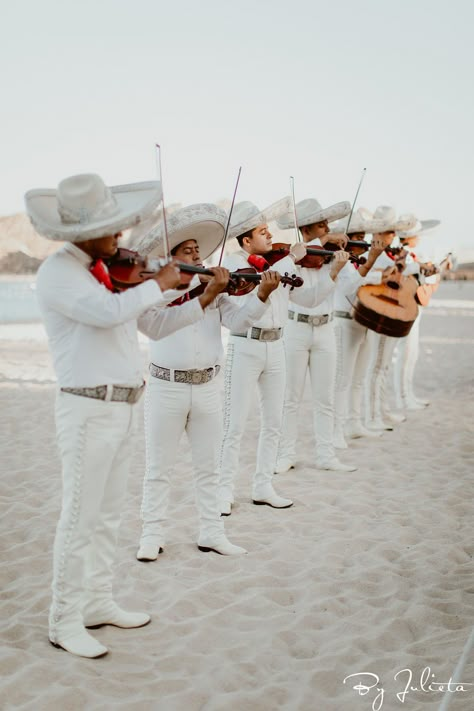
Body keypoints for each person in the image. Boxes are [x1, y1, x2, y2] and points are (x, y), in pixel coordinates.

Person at [25, 172, 204, 659]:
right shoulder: (60, 272)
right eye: (111, 227)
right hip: (86, 408)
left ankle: (98, 602)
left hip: (123, 406)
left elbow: (152, 323)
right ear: (78, 233)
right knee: (79, 518)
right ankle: (64, 620)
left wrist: (199, 297)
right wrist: (162, 281)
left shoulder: (114, 273)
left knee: (108, 517)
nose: (121, 237)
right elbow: (106, 313)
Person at [135, 204, 281, 561]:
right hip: (166, 387)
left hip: (208, 388)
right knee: (159, 468)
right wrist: (198, 286)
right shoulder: (158, 290)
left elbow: (239, 322)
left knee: (209, 468)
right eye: (188, 254)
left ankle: (212, 532)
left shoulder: (214, 289)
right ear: (171, 261)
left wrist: (260, 296)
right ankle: (151, 535)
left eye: (198, 253)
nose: (198, 259)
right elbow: (156, 309)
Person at [217, 199, 336, 515]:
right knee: (235, 423)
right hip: (245, 346)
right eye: (262, 231)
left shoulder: (281, 263)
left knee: (273, 422)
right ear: (246, 241)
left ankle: (263, 485)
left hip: (278, 346)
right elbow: (244, 296)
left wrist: (332, 273)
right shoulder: (233, 262)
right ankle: (223, 490)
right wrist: (289, 261)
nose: (271, 236)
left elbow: (308, 298)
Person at [274, 197, 356, 473]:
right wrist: (324, 255)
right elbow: (306, 297)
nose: (328, 231)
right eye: (323, 226)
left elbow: (353, 285)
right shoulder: (293, 256)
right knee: (290, 397)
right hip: (296, 328)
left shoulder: (333, 254)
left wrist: (341, 265)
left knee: (325, 397)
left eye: (327, 226)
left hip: (325, 329)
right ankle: (286, 454)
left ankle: (326, 454)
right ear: (307, 229)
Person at [330, 210, 394, 445]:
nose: (361, 240)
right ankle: (336, 430)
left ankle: (354, 422)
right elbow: (349, 285)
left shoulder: (359, 261)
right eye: (356, 235)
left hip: (362, 321)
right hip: (342, 322)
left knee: (358, 377)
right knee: (342, 379)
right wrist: (374, 268)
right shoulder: (339, 260)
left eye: (362, 235)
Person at [357, 207, 417, 431]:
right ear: (378, 233)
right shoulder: (372, 255)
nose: (393, 236)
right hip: (381, 312)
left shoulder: (389, 254)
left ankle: (380, 410)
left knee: (383, 366)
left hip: (391, 310)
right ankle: (372, 416)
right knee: (377, 365)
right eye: (390, 231)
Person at [392, 219, 441, 410]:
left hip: (413, 307)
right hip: (406, 308)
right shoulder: (403, 255)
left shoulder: (411, 255)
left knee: (412, 354)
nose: (419, 238)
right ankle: (401, 397)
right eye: (416, 235)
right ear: (409, 236)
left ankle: (407, 394)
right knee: (405, 354)